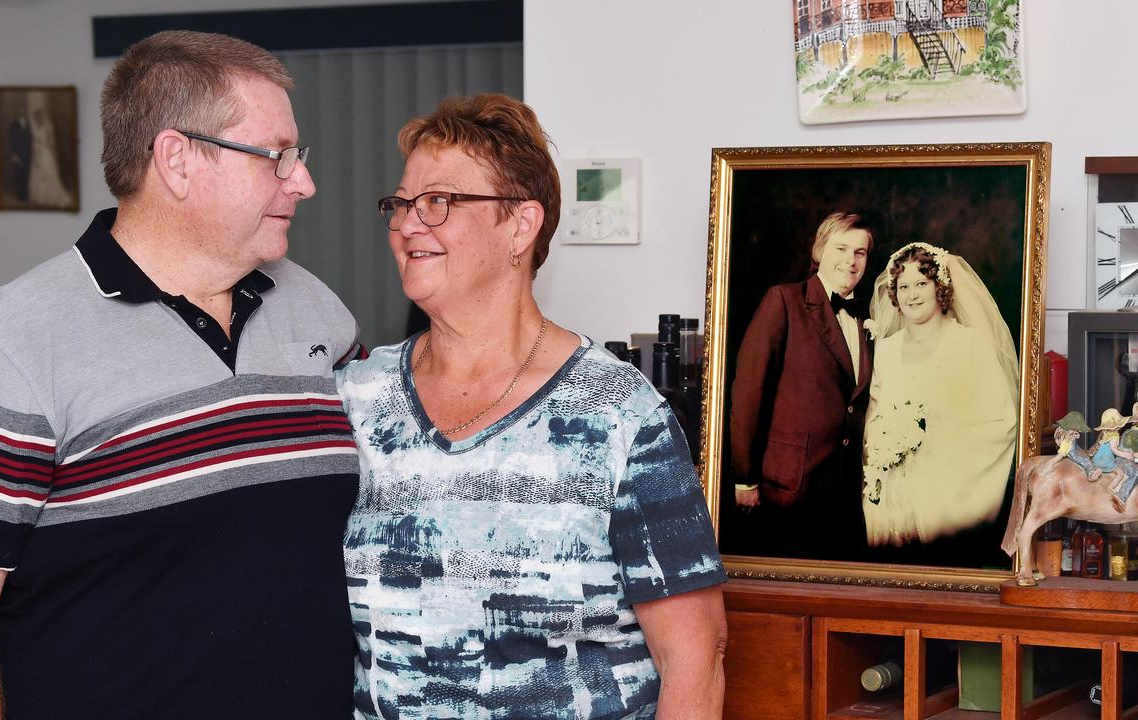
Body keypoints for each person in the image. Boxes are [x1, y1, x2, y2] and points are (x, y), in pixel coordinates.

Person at [0, 31, 362, 719]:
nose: (303, 180)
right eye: (277, 157)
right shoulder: (15, 340)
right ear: (177, 160)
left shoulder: (321, 313)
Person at [340, 94, 728, 719]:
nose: (410, 223)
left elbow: (694, 656)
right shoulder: (355, 397)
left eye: (439, 202)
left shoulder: (620, 413)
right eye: (402, 204)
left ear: (520, 225)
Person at [728, 211, 874, 558]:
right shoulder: (783, 301)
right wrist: (744, 478)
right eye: (841, 249)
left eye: (860, 253)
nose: (850, 262)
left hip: (848, 490)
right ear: (820, 250)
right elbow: (748, 392)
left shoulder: (869, 314)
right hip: (788, 486)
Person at [862, 242, 1018, 547]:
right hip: (891, 495)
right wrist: (885, 442)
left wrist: (938, 443)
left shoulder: (970, 344)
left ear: (940, 287)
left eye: (922, 283)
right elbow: (875, 415)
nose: (912, 294)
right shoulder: (886, 350)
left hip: (947, 494)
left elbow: (1001, 421)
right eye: (903, 286)